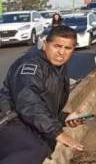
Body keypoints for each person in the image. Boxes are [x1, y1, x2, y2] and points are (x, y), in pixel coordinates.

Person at [0, 25, 87, 163]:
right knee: (35, 149)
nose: (61, 53)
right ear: (46, 44)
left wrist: (64, 118)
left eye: (67, 48)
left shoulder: (58, 68)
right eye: (57, 46)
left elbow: (44, 103)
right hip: (9, 122)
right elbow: (28, 101)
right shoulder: (31, 65)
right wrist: (56, 131)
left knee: (47, 144)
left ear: (73, 49)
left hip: (26, 121)